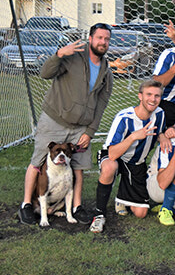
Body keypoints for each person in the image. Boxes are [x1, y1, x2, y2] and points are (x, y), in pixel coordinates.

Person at [18, 23, 113, 225]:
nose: (103, 42)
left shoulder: (106, 70)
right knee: (38, 161)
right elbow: (45, 73)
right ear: (90, 38)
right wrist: (59, 54)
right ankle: (26, 204)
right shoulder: (73, 57)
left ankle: (76, 207)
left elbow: (102, 103)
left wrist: (90, 131)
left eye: (106, 39)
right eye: (99, 38)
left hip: (80, 127)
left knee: (78, 166)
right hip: (55, 119)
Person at [89, 80, 170, 233]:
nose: (153, 99)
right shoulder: (124, 117)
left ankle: (121, 198)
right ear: (140, 96)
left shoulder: (160, 114)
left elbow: (158, 132)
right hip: (116, 155)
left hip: (136, 162)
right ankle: (99, 215)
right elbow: (112, 153)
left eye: (157, 96)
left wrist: (163, 136)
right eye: (149, 95)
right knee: (109, 167)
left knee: (141, 213)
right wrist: (133, 137)